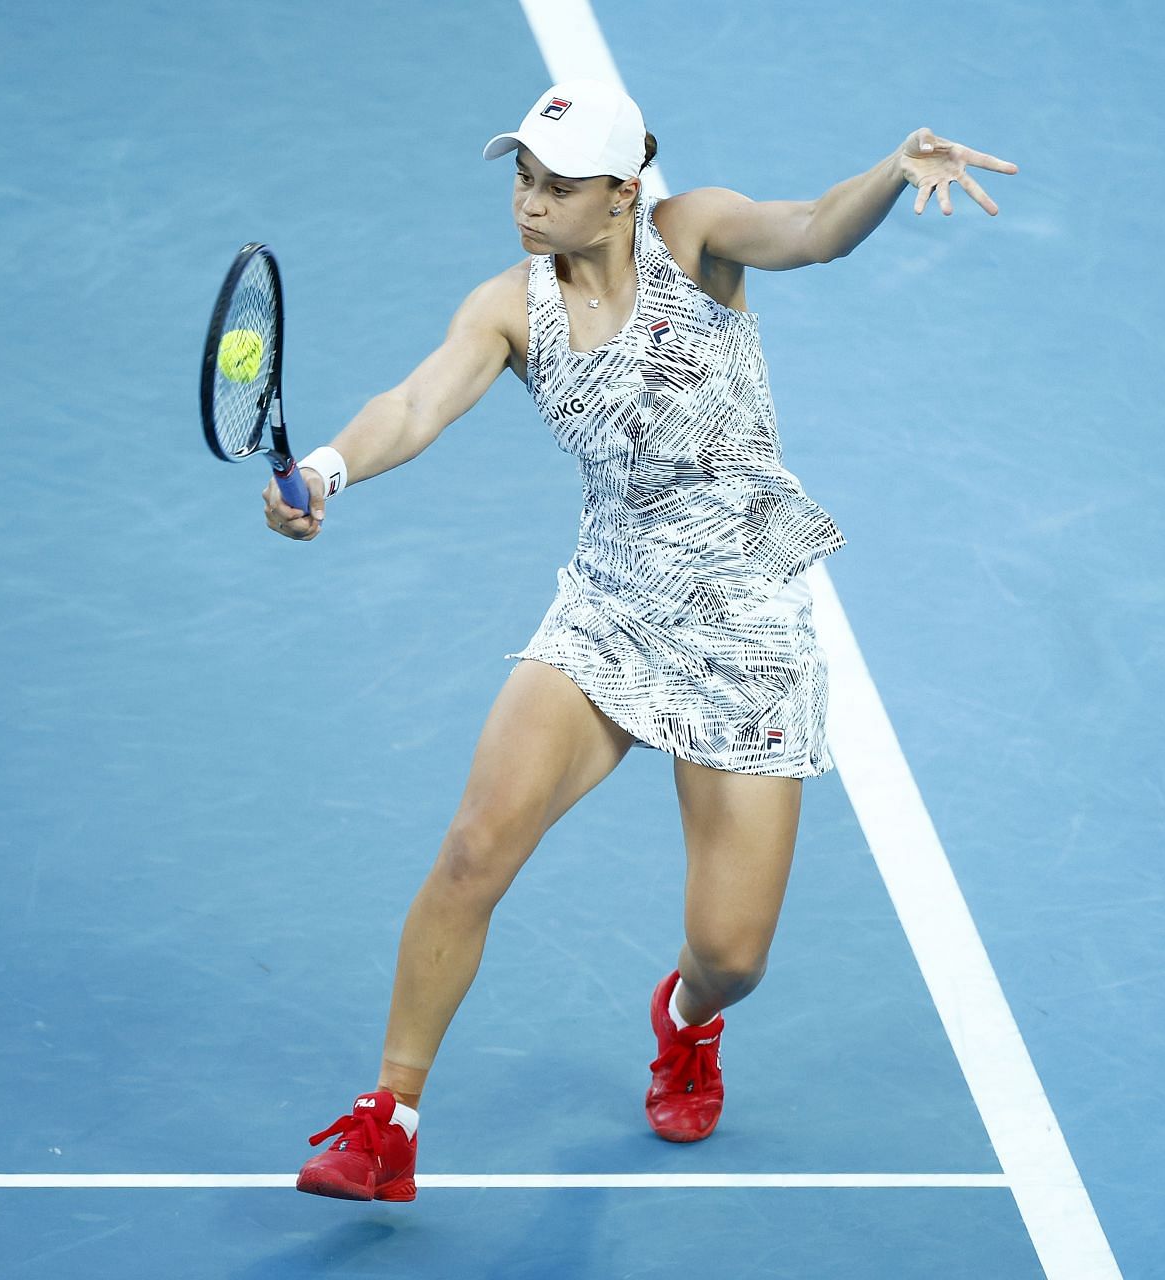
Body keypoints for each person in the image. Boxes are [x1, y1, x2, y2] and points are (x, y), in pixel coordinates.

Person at [266, 80, 1017, 1202]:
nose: (529, 204)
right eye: (522, 177)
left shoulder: (697, 234)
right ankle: (388, 1119)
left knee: (733, 953)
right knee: (475, 847)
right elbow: (417, 403)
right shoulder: (511, 307)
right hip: (611, 607)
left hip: (750, 619)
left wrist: (889, 171)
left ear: (622, 193)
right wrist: (325, 467)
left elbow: (812, 229)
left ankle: (684, 1019)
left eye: (557, 186)